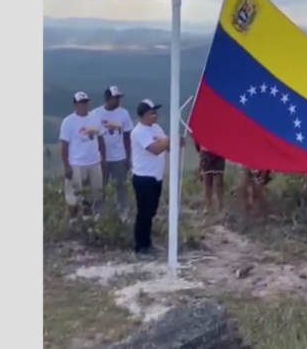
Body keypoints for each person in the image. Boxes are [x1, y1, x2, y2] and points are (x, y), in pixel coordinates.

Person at [130, 99, 183, 258]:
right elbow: (156, 149)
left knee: (151, 212)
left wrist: (174, 140)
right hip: (143, 177)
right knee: (144, 213)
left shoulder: (156, 128)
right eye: (151, 112)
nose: (155, 115)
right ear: (143, 115)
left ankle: (147, 244)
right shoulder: (138, 131)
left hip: (155, 177)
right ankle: (140, 247)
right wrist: (168, 139)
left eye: (155, 111)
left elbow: (167, 144)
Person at [59, 91, 107, 224]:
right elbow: (64, 145)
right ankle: (73, 219)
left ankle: (88, 218)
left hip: (94, 162)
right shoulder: (68, 122)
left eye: (85, 102)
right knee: (73, 195)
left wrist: (103, 158)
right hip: (76, 163)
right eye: (81, 103)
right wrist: (66, 166)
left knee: (93, 193)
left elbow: (101, 139)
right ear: (75, 105)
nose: (84, 105)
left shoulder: (95, 118)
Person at [92, 85, 134, 222]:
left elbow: (127, 136)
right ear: (107, 99)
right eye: (114, 98)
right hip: (101, 157)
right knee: (101, 186)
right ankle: (99, 212)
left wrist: (129, 157)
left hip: (119, 156)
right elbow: (92, 137)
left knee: (120, 185)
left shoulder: (124, 114)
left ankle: (123, 211)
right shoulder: (96, 114)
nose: (117, 101)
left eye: (118, 98)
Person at [193, 139, 226, 214]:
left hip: (218, 151)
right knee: (207, 181)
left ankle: (221, 205)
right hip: (206, 152)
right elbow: (197, 139)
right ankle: (208, 206)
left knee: (218, 182)